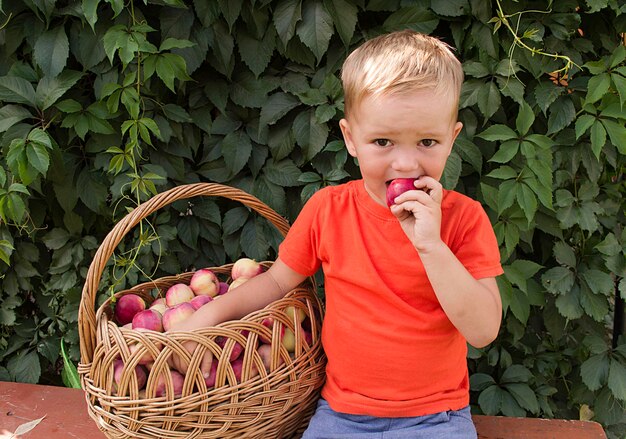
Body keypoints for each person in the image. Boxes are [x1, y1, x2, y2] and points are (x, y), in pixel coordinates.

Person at [170, 29, 503, 438]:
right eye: (382, 141)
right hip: (343, 416)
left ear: (451, 141)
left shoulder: (463, 219)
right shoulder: (329, 210)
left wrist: (431, 246)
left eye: (427, 142)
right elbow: (276, 281)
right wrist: (208, 315)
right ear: (350, 139)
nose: (404, 163)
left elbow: (483, 330)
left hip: (435, 417)